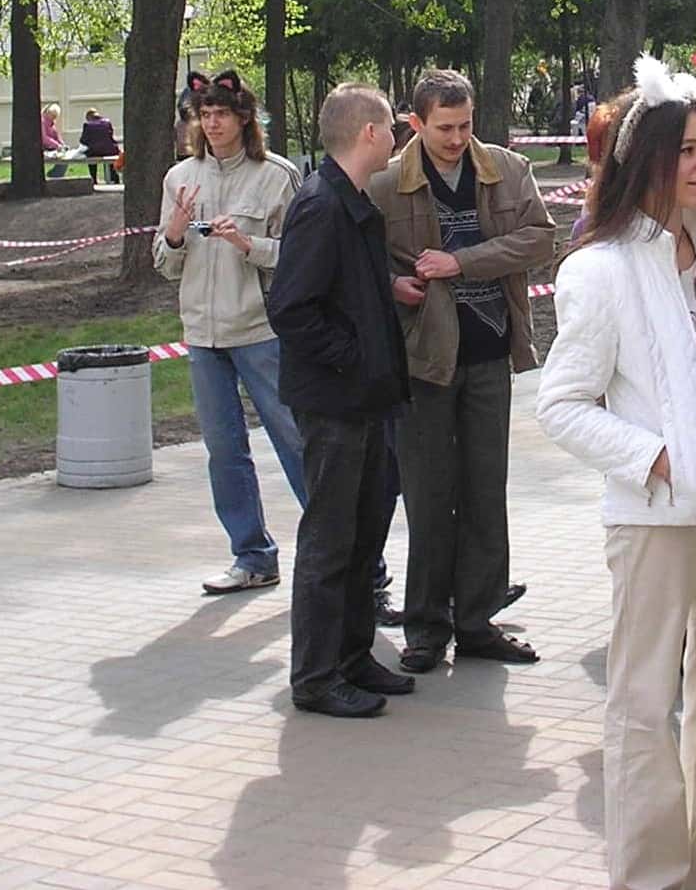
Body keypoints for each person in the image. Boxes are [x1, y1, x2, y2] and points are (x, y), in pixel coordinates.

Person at [536, 55, 696, 890]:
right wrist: (653, 458)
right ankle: (652, 876)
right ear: (647, 160)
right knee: (641, 707)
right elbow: (561, 404)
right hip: (654, 518)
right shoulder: (598, 270)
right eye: (689, 151)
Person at [368, 70, 554, 674]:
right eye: (444, 128)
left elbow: (539, 239)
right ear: (414, 124)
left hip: (489, 354)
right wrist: (392, 284)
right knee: (429, 495)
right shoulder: (386, 184)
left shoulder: (504, 168)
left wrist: (462, 261)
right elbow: (359, 258)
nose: (457, 139)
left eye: (466, 125)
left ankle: (477, 622)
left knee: (484, 491)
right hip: (423, 364)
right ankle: (426, 627)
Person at [267, 83, 412, 718]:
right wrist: (352, 357)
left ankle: (354, 657)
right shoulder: (321, 206)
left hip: (367, 400)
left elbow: (344, 290)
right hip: (336, 404)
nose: (395, 137)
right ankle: (316, 677)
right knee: (330, 540)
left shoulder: (351, 202)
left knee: (362, 537)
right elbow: (292, 309)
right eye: (389, 127)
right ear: (369, 135)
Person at [152, 71, 309, 596]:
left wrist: (249, 244)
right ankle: (252, 555)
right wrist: (175, 232)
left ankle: (346, 552)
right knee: (225, 450)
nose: (212, 122)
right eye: (204, 114)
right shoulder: (179, 179)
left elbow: (305, 258)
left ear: (245, 118)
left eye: (222, 113)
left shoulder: (276, 176)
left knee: (296, 441)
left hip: (261, 331)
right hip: (202, 335)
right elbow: (165, 264)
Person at [79, 108, 119, 184]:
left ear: (88, 117)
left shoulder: (87, 125)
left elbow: (83, 140)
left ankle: (93, 179)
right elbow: (110, 136)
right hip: (109, 151)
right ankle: (114, 178)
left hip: (94, 151)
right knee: (110, 157)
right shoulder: (107, 123)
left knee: (91, 157)